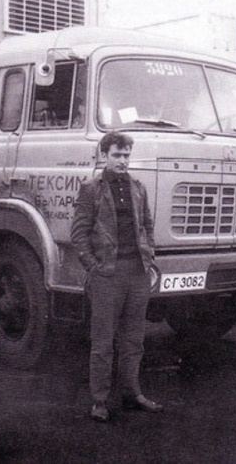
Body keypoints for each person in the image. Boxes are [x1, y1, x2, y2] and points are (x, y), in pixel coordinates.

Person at [70, 131, 162, 423]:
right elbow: (79, 233)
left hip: (137, 275)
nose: (122, 161)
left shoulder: (138, 187)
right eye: (117, 155)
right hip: (107, 276)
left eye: (126, 155)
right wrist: (93, 266)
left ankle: (132, 393)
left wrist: (149, 259)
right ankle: (99, 401)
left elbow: (147, 226)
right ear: (104, 156)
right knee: (102, 343)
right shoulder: (91, 189)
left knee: (134, 340)